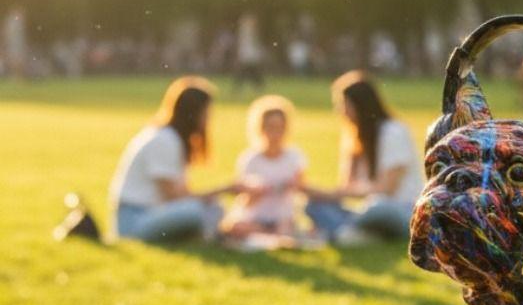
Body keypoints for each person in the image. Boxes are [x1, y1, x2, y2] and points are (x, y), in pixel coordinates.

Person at [110, 77, 236, 242]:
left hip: (150, 214)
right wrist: (224, 189)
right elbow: (174, 197)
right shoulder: (164, 140)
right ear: (193, 113)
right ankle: (210, 238)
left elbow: (182, 193)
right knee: (196, 211)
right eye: (206, 112)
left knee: (213, 207)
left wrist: (220, 192)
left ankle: (209, 237)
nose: (208, 118)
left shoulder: (172, 139)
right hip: (134, 221)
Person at [304, 72, 423, 243]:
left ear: (361, 105)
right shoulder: (353, 139)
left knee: (378, 207)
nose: (341, 111)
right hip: (365, 213)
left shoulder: (393, 132)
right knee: (313, 206)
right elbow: (348, 188)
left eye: (345, 105)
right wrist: (320, 194)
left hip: (400, 210)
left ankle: (344, 233)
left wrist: (333, 193)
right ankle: (358, 234)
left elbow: (387, 189)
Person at [222, 95, 307, 239]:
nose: (275, 134)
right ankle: (269, 233)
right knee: (235, 227)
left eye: (280, 128)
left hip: (283, 217)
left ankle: (273, 234)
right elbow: (244, 202)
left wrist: (292, 185)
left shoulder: (294, 157)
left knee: (285, 228)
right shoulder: (250, 159)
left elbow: (302, 189)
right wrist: (254, 192)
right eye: (271, 128)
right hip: (255, 217)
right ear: (261, 129)